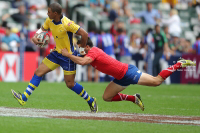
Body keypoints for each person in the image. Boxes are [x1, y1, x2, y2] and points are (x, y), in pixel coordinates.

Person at [61, 37, 196, 111]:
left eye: (80, 46)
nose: (78, 49)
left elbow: (83, 62)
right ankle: (134, 98)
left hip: (128, 72)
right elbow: (77, 57)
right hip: (120, 77)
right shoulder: (88, 52)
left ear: (87, 46)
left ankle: (180, 63)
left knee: (156, 81)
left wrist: (67, 54)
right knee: (107, 97)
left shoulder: (93, 51)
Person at [11, 3, 98, 113]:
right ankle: (24, 98)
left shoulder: (67, 24)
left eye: (49, 12)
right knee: (38, 72)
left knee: (70, 84)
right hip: (56, 53)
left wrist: (81, 50)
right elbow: (42, 29)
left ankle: (90, 100)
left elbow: (84, 34)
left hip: (68, 56)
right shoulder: (49, 20)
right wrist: (35, 37)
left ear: (55, 13)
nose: (47, 13)